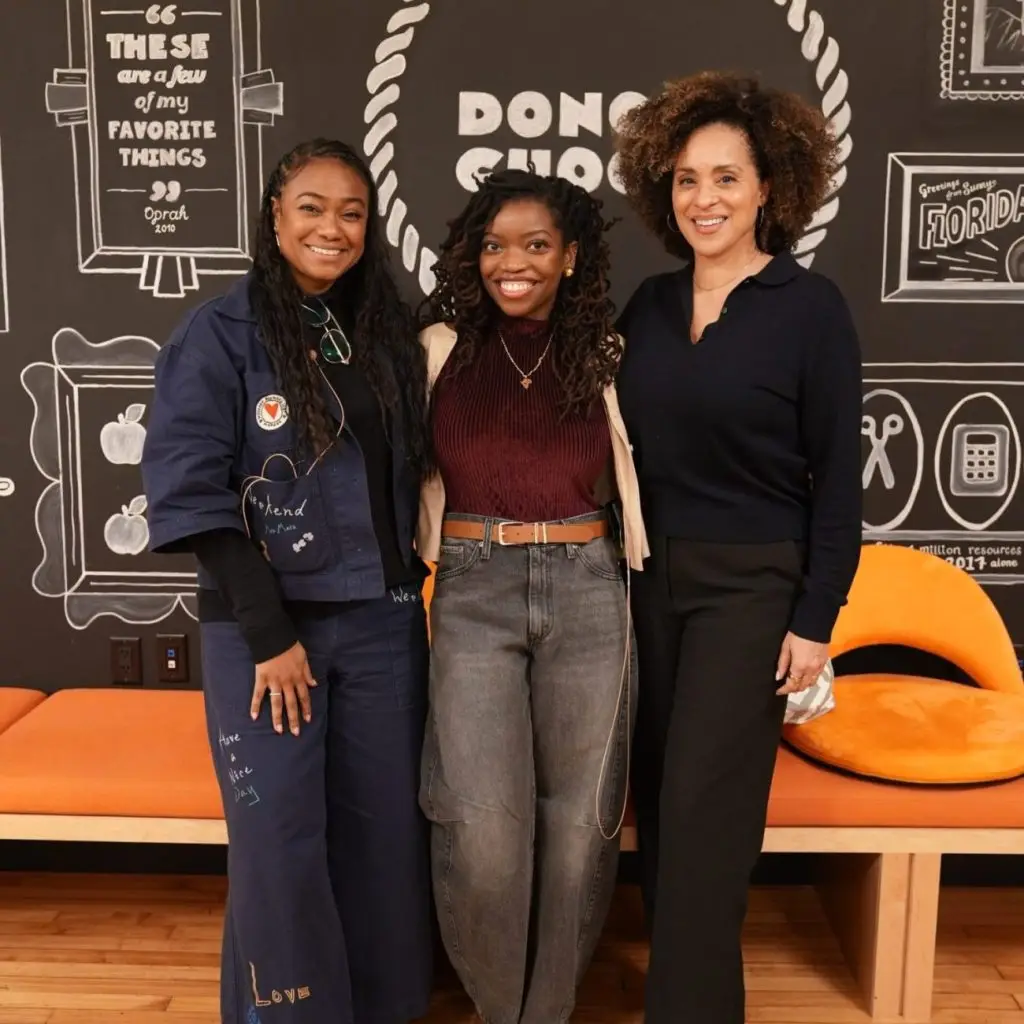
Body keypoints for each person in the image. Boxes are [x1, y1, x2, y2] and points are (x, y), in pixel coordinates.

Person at [141, 138, 435, 1024]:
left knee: (386, 837)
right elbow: (191, 494)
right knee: (280, 844)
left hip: (384, 626)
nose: (331, 228)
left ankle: (384, 1007)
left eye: (351, 211)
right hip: (269, 636)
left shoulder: (387, 332)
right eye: (311, 207)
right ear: (275, 216)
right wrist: (270, 637)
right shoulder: (218, 332)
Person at [612, 72, 864, 1022]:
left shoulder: (811, 309)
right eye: (686, 179)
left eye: (726, 178)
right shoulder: (645, 304)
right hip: (641, 587)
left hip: (752, 595)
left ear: (770, 188)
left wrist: (814, 621)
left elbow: (837, 483)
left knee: (708, 823)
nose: (704, 199)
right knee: (662, 822)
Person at [416, 168, 648, 1024]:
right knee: (484, 832)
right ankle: (497, 1008)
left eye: (537, 245)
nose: (512, 263)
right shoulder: (438, 347)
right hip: (475, 586)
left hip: (591, 591)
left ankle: (544, 1014)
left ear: (572, 256)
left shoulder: (608, 352)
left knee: (582, 831)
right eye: (494, 245)